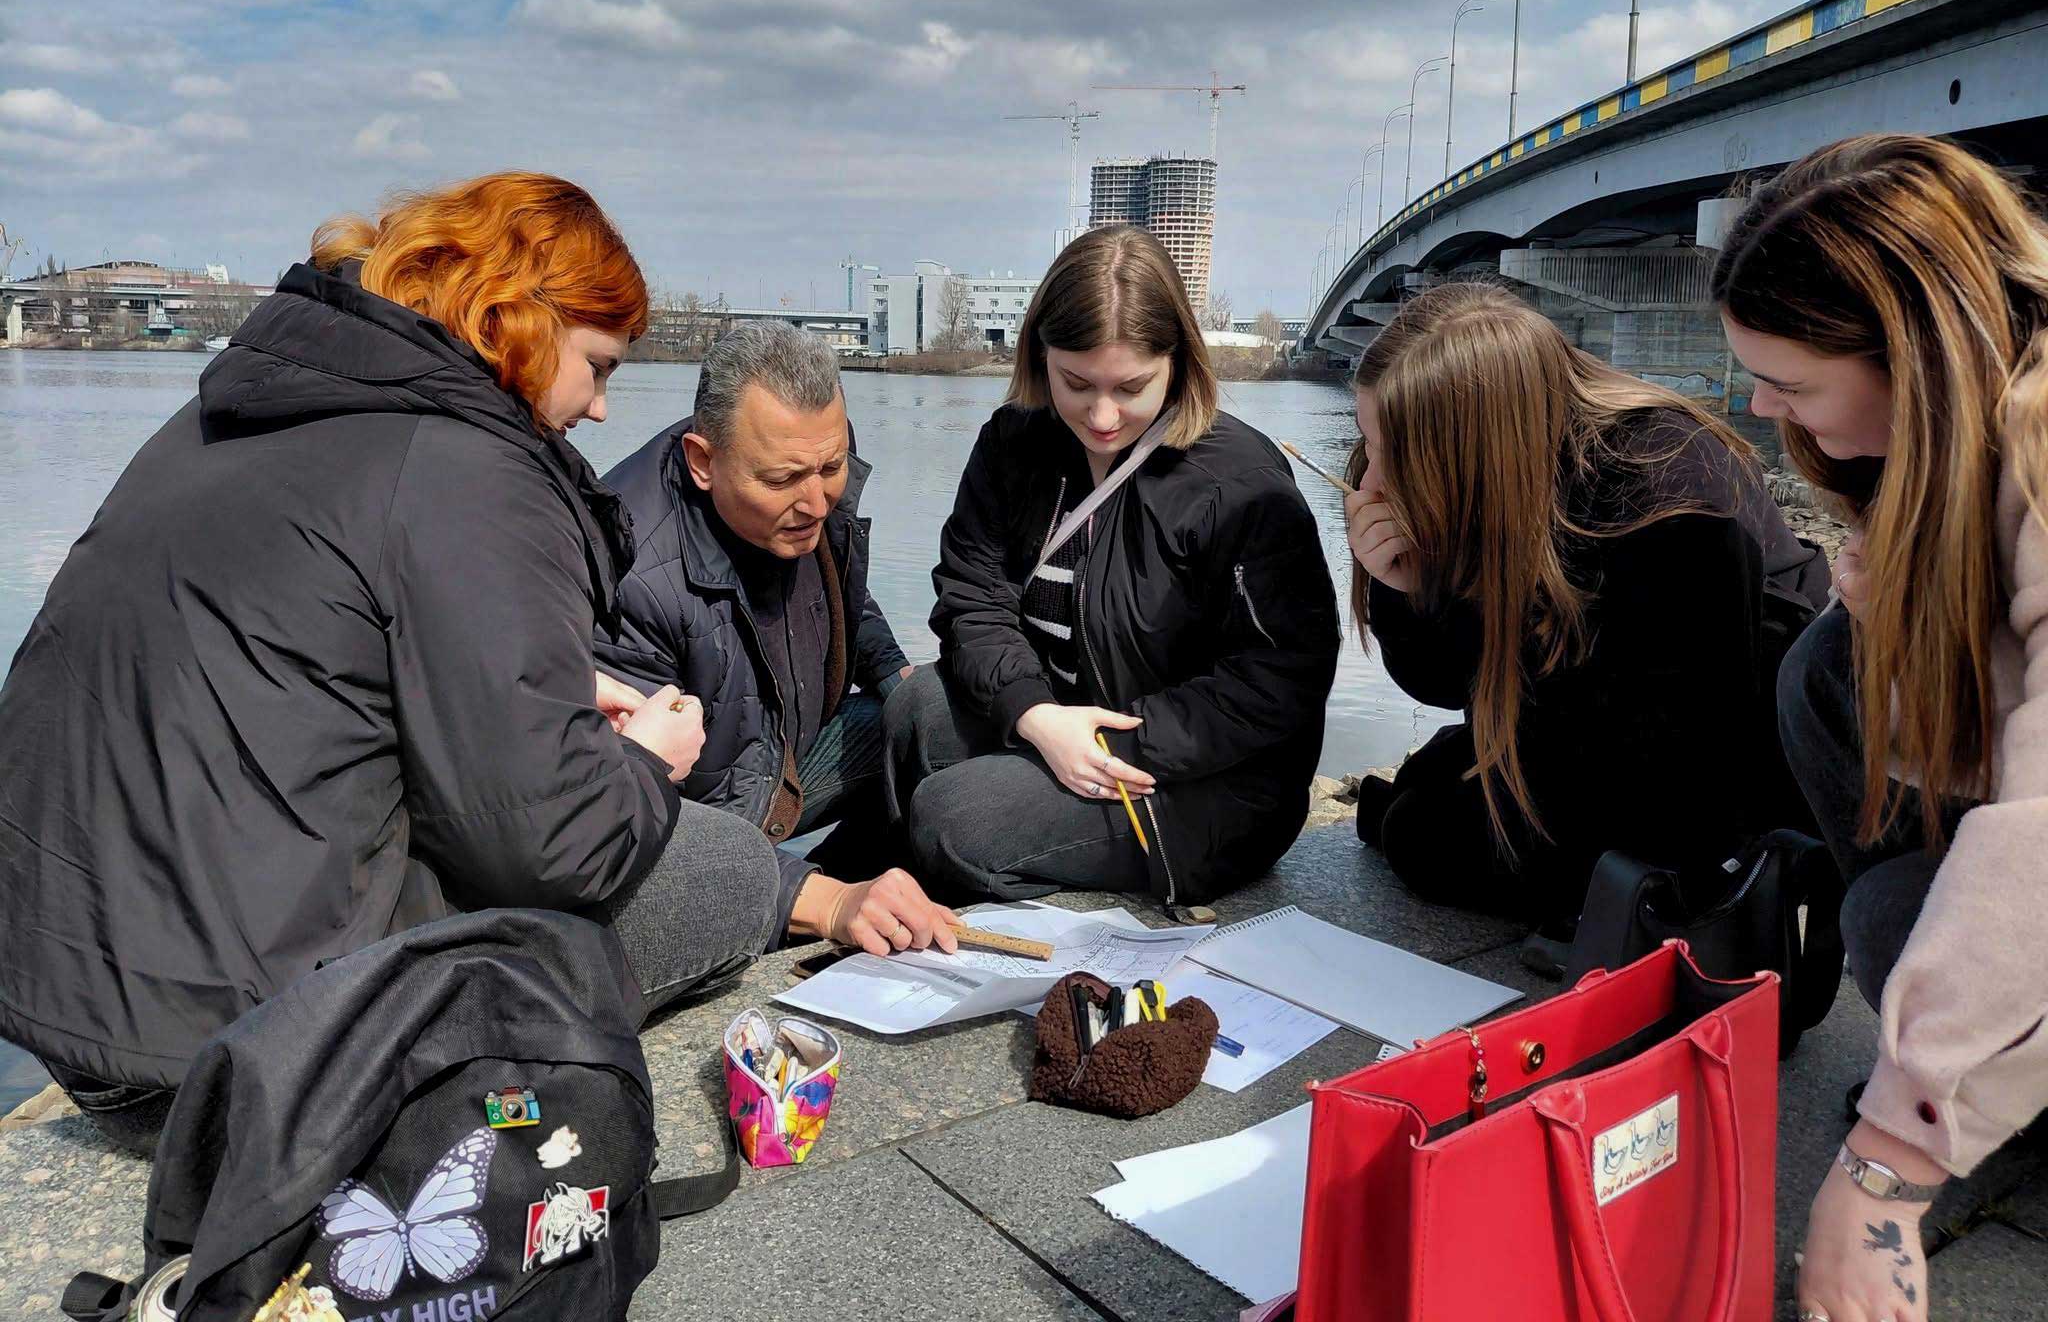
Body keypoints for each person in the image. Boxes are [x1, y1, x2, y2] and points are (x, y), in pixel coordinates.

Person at [0, 173, 943, 1154]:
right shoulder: (468, 466)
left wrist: (548, 690)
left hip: (71, 1003)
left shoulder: (251, 406)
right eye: (597, 365)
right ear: (516, 323)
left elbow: (312, 657)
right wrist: (643, 760)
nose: (601, 408)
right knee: (721, 871)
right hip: (245, 1047)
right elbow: (555, 847)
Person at [1720, 134, 2048, 1322]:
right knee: (1830, 668)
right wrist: (1905, 634)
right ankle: (1975, 1064)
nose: (1759, 408)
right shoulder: (1963, 437)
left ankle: (1965, 1078)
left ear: (1912, 353)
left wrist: (1882, 1172)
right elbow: (1966, 747)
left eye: (1791, 384)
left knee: (1888, 908)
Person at [1345, 283, 1831, 929]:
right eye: (1369, 442)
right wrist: (1405, 588)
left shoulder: (1666, 499)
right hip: (1587, 718)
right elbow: (1449, 683)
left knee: (1422, 832)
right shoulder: (1496, 477)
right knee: (1427, 792)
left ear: (1470, 449)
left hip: (1711, 758)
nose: (1371, 480)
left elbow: (1675, 774)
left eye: (1391, 455)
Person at [884, 225, 1340, 907]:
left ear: (1177, 362)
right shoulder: (1014, 442)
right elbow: (972, 596)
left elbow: (1282, 676)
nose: (1101, 416)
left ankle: (981, 894)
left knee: (953, 818)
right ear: (1040, 355)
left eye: (1131, 387)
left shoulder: (1241, 485)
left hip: (1203, 780)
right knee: (914, 708)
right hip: (1068, 718)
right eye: (1076, 383)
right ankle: (893, 900)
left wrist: (1109, 743)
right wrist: (1036, 715)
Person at [598, 321, 952, 955]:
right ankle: (803, 910)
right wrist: (818, 899)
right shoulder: (629, 570)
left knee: (928, 711)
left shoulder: (803, 458)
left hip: (784, 755)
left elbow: (841, 587)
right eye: (783, 480)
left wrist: (894, 672)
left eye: (832, 467)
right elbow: (638, 823)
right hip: (706, 809)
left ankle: (863, 898)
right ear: (703, 462)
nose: (816, 502)